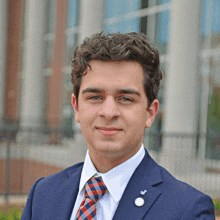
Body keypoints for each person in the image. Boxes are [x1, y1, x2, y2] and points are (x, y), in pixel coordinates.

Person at [21, 32, 215, 220]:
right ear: (77, 108)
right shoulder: (43, 194)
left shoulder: (188, 210)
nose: (108, 112)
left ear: (150, 113)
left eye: (125, 99)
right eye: (95, 97)